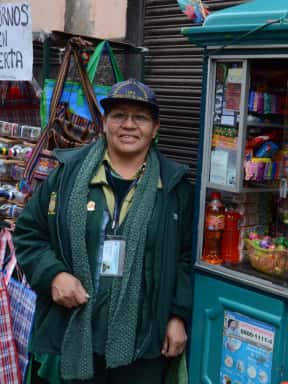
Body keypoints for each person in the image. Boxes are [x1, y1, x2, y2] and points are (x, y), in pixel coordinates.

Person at [14, 79, 194, 383]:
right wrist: (54, 275)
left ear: (155, 128)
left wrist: (177, 316)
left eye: (140, 117)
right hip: (72, 332)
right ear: (105, 122)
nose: (129, 125)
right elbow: (29, 233)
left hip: (143, 343)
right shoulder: (67, 176)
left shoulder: (174, 189)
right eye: (118, 115)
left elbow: (184, 259)